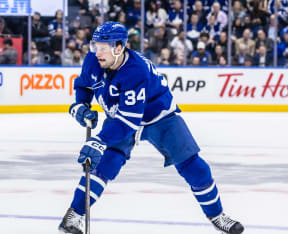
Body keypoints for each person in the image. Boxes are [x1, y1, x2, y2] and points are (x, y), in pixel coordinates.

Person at [58, 21, 244, 234]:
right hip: (121, 116)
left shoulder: (136, 70)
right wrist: (81, 105)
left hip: (159, 116)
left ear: (119, 47)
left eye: (103, 47)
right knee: (103, 166)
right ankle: (73, 216)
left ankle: (217, 215)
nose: (96, 52)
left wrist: (100, 140)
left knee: (195, 167)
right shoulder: (93, 60)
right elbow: (84, 85)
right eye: (95, 45)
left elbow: (129, 121)